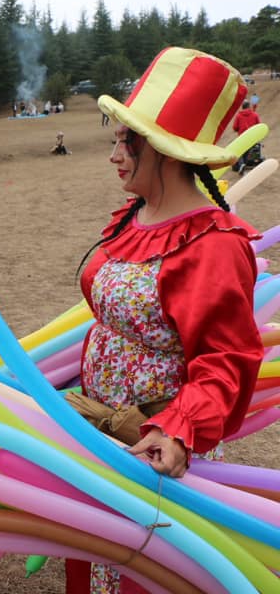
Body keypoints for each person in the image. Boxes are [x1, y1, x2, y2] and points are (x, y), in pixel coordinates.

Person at [66, 47, 262, 594]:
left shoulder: (214, 244)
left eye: (124, 142)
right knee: (98, 555)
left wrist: (175, 431)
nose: (114, 156)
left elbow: (227, 359)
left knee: (146, 570)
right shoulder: (133, 216)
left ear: (166, 151)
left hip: (154, 449)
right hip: (97, 433)